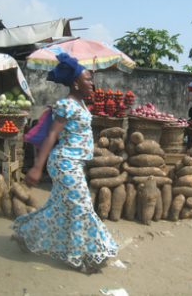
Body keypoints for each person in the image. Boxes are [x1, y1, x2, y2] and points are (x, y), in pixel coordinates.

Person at [10, 53, 118, 274]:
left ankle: (23, 233)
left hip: (74, 164)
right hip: (64, 163)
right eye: (87, 79)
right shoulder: (66, 105)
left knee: (58, 208)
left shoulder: (81, 104)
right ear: (75, 83)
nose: (92, 83)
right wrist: (37, 167)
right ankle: (74, 257)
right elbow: (51, 135)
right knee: (82, 207)